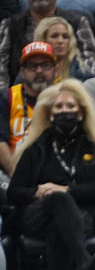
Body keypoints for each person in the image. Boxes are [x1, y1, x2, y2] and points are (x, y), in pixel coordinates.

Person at [7, 78, 95, 270]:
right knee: (55, 200)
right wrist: (37, 192)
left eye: (70, 107)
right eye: (59, 107)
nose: (65, 111)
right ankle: (85, 262)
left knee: (59, 222)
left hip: (81, 217)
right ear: (50, 114)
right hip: (36, 215)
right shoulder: (36, 147)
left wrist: (66, 190)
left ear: (82, 113)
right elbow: (13, 192)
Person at [0, 0, 95, 91]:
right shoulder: (10, 24)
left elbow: (91, 61)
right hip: (22, 93)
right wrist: (5, 98)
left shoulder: (77, 22)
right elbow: (1, 67)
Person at [0, 42, 57, 176]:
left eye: (45, 65)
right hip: (11, 171)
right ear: (22, 71)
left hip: (53, 173)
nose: (39, 71)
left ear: (56, 70)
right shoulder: (6, 97)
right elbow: (0, 142)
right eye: (32, 66)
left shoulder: (64, 99)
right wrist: (17, 177)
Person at [33, 16, 94, 83]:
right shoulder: (29, 68)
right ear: (43, 39)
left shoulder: (83, 74)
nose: (60, 41)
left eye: (65, 37)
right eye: (54, 36)